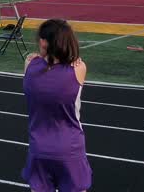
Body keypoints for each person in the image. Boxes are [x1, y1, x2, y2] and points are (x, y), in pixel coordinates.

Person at [22, 19, 91, 192]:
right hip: (70, 150)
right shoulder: (79, 68)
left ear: (44, 42)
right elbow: (73, 58)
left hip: (39, 148)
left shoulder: (29, 65)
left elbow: (37, 61)